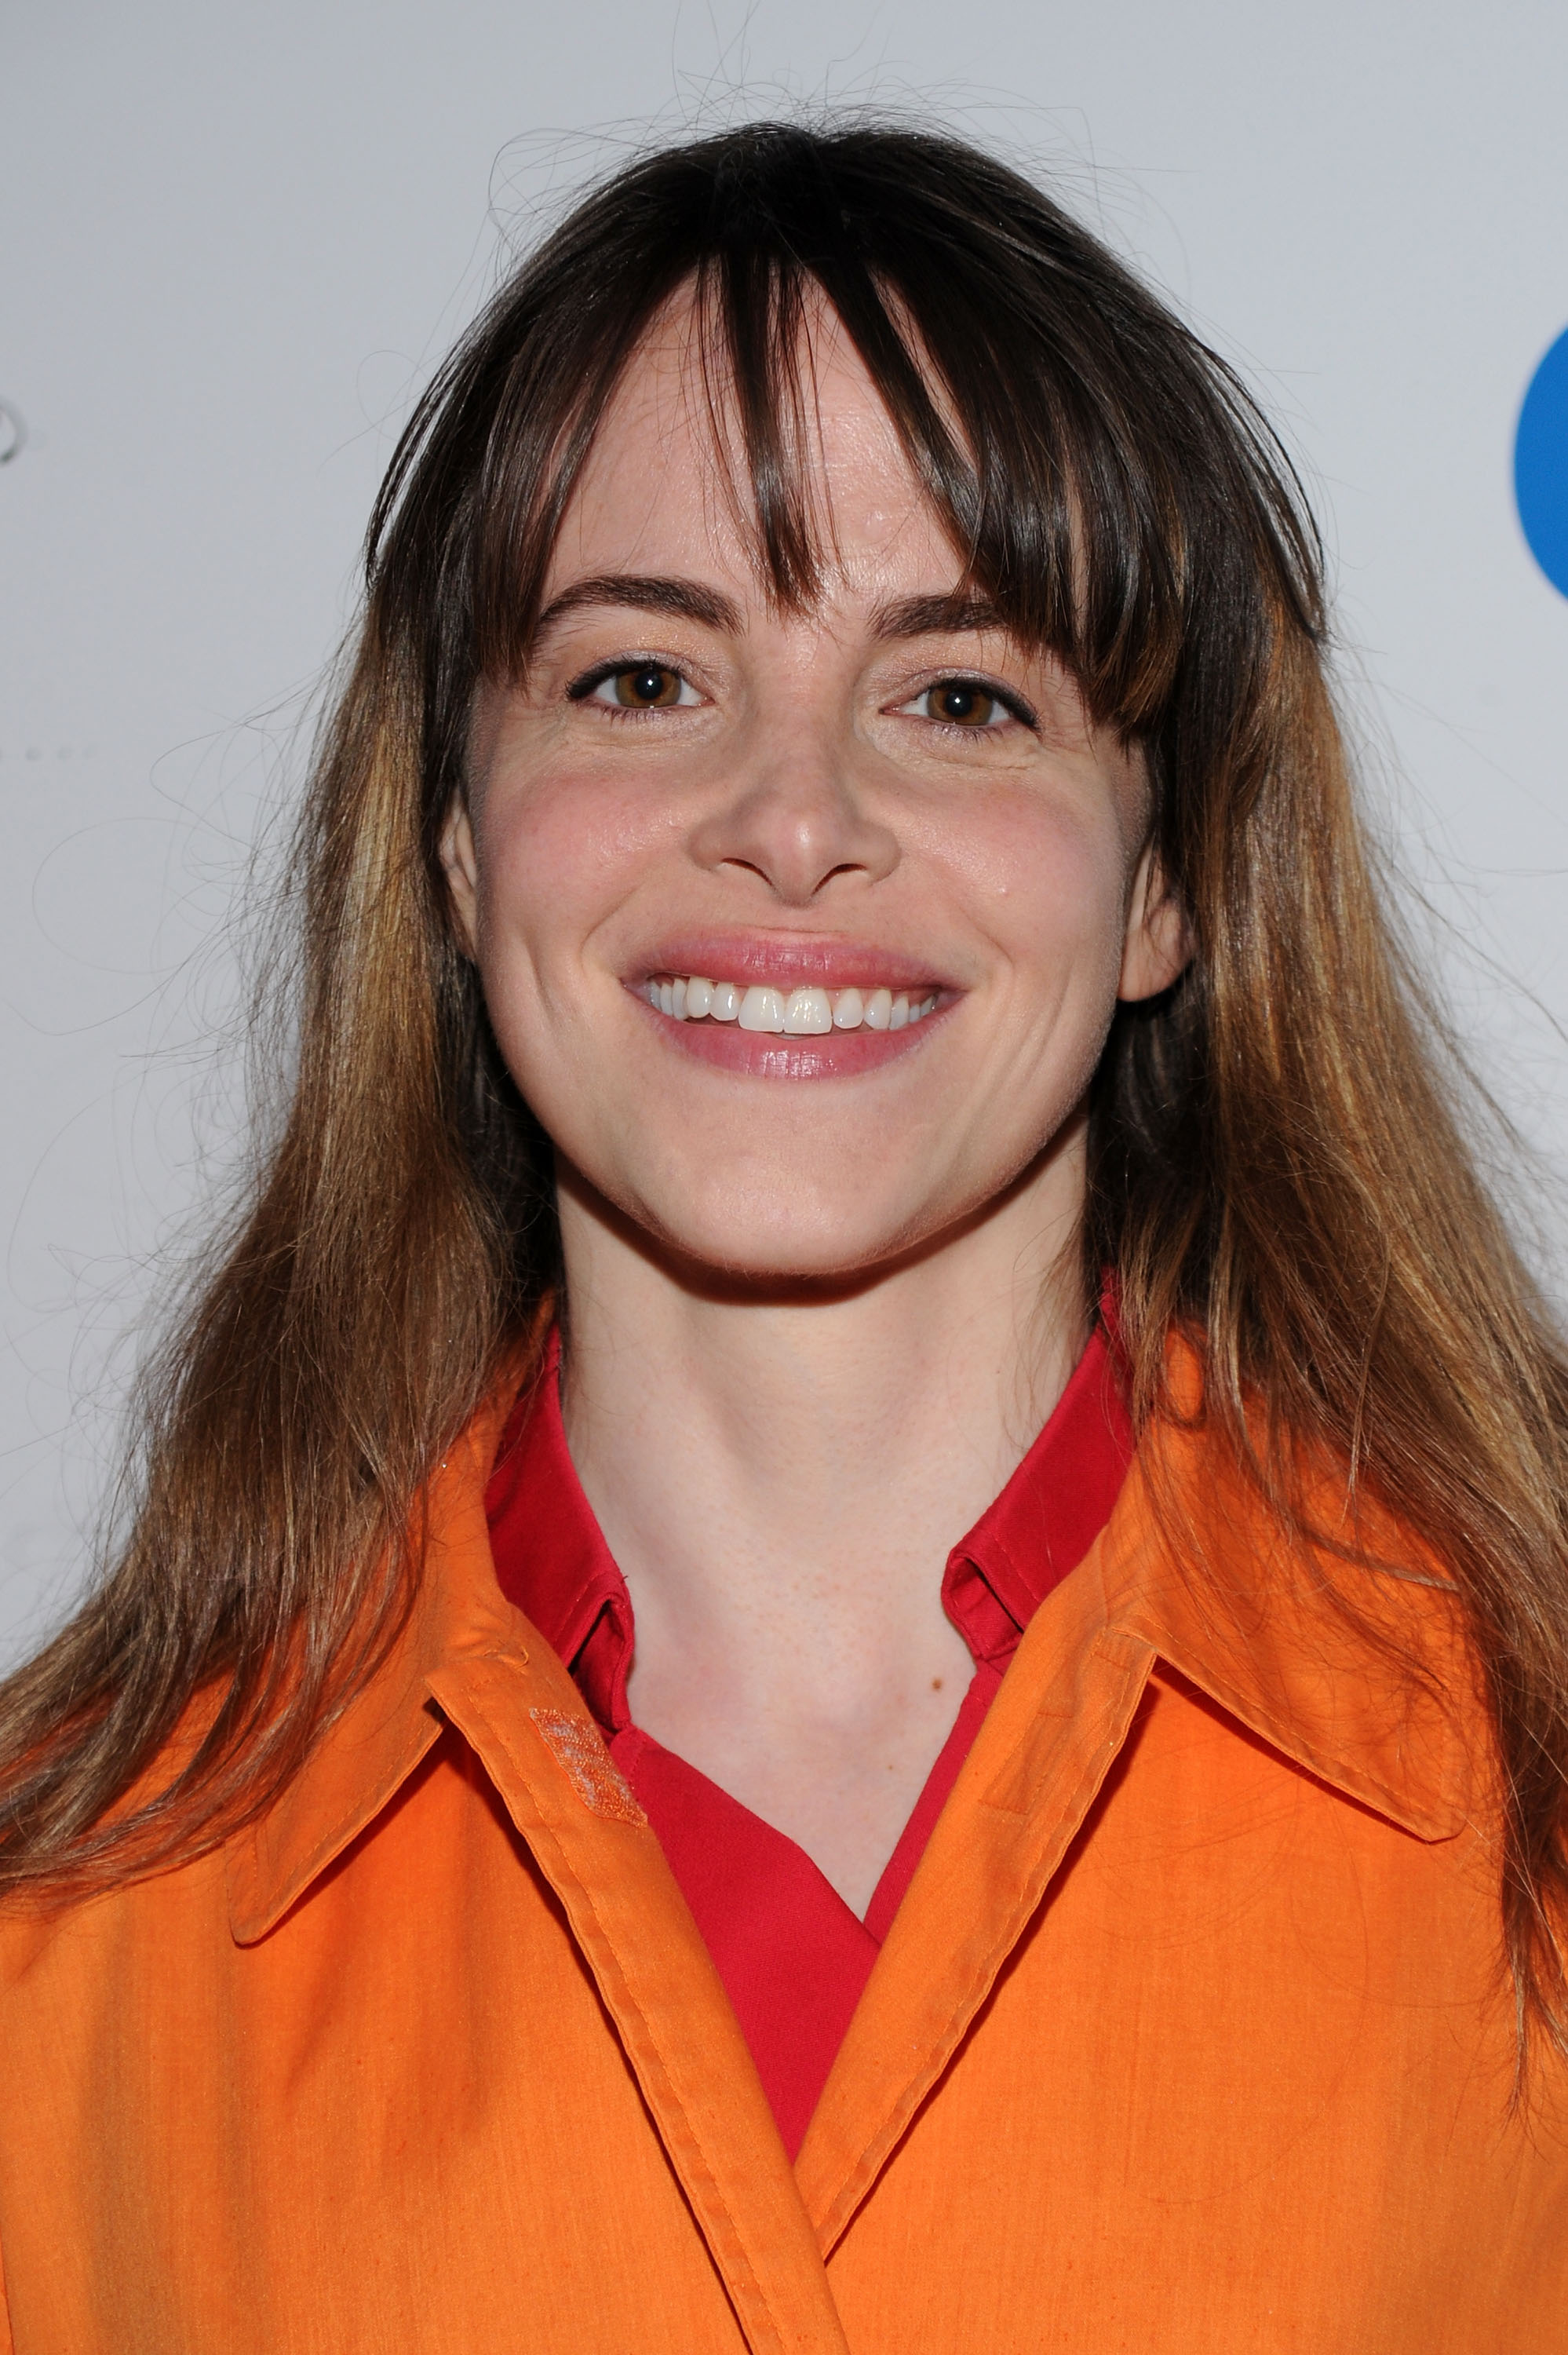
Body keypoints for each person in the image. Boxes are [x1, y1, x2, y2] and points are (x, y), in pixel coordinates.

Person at [0, 118, 1565, 2352]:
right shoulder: (68, 1924)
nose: (796, 819)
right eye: (643, 676)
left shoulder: (1537, 1767)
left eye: (962, 694)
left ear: (1167, 881)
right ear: (457, 847)